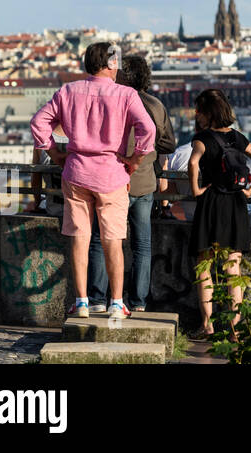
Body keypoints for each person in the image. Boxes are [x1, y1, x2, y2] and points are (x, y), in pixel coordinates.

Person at [30, 41, 157, 320]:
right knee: (113, 240)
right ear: (112, 64)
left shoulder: (68, 90)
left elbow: (39, 123)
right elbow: (148, 129)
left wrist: (54, 152)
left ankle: (83, 302)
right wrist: (135, 160)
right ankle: (116, 303)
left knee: (80, 239)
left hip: (76, 172)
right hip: (111, 174)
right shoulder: (125, 94)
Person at [88, 55, 177, 313]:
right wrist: (147, 152)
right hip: (144, 182)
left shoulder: (113, 100)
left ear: (124, 76)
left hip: (111, 181)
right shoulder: (156, 105)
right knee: (142, 246)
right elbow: (168, 144)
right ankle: (138, 303)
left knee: (100, 239)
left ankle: (97, 299)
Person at [187, 88, 251, 339]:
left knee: (204, 267)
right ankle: (235, 329)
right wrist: (250, 190)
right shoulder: (237, 137)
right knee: (232, 268)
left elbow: (193, 163)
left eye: (199, 110)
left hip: (212, 202)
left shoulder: (202, 138)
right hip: (236, 203)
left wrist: (195, 190)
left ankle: (207, 325)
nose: (196, 114)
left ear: (207, 113)